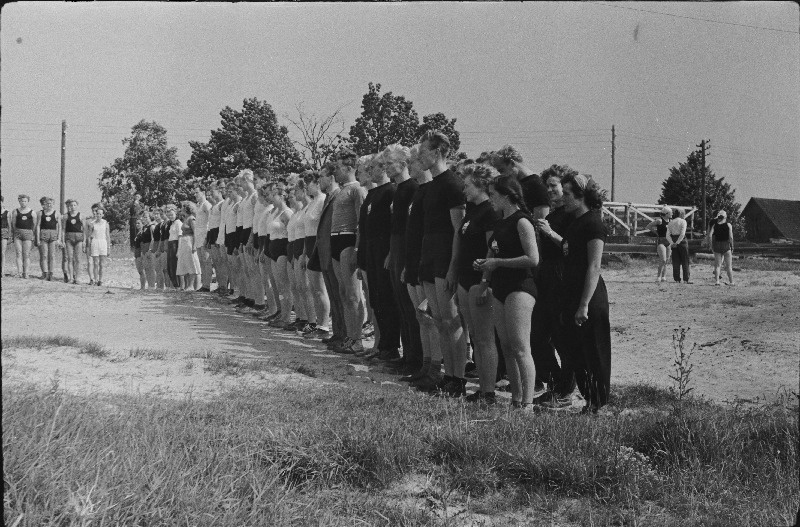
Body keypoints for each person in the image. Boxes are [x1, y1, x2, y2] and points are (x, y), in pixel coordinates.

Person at [475, 175, 540, 409]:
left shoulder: (522, 221)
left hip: (520, 287)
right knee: (506, 347)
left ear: (506, 195)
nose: (490, 198)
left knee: (521, 347)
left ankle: (528, 403)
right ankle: (516, 399)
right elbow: (495, 253)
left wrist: (497, 263)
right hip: (500, 287)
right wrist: (486, 266)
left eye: (493, 194)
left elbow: (533, 258)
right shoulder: (501, 223)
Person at [417, 131, 469, 397]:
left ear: (437, 152)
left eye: (423, 151)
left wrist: (452, 268)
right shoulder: (431, 185)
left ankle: (458, 379)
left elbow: (458, 231)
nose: (419, 156)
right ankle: (448, 376)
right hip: (429, 258)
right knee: (438, 320)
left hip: (445, 261)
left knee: (452, 321)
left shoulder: (452, 184)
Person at [559, 174, 612, 414]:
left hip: (589, 298)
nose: (563, 198)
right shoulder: (573, 222)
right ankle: (589, 400)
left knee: (595, 352)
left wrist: (584, 304)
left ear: (581, 196)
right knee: (575, 352)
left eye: (567, 193)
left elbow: (594, 266)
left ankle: (599, 404)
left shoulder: (593, 223)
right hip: (572, 295)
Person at [531, 167, 580, 409]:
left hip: (563, 276)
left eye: (554, 185)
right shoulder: (551, 215)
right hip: (546, 277)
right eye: (547, 186)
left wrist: (549, 234)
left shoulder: (572, 215)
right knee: (538, 335)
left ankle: (565, 392)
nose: (550, 190)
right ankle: (555, 384)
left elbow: (572, 248)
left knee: (563, 337)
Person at [452, 163, 502, 403]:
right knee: (476, 337)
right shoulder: (472, 210)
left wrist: (485, 282)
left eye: (468, 185)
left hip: (479, 281)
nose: (464, 189)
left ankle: (488, 391)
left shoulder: (490, 212)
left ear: (481, 185)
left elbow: (491, 249)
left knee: (484, 338)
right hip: (465, 279)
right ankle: (482, 388)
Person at [401, 145, 443, 390]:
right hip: (416, 261)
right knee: (421, 316)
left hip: (427, 261)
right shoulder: (419, 192)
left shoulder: (426, 190)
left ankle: (436, 368)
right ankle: (426, 366)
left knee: (430, 317)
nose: (412, 166)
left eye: (415, 161)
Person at [382, 144, 424, 376]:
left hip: (407, 248)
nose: (387, 168)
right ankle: (407, 354)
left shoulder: (412, 188)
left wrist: (405, 256)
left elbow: (410, 227)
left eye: (390, 164)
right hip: (396, 246)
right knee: (400, 304)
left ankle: (416, 358)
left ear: (403, 163)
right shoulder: (398, 189)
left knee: (410, 306)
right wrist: (391, 251)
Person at [362, 150, 402, 361]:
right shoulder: (374, 194)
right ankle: (382, 345)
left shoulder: (391, 191)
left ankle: (391, 347)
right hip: (372, 253)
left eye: (375, 167)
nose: (374, 171)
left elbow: (392, 226)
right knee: (377, 300)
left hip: (384, 254)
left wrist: (389, 252)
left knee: (387, 300)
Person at [330, 149, 369, 354]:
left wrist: (357, 248)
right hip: (335, 239)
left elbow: (362, 221)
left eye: (337, 167)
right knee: (344, 292)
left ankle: (358, 339)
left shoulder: (357, 190)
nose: (334, 171)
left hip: (348, 239)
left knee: (353, 294)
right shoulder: (340, 191)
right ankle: (349, 336)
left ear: (349, 167)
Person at [313, 163, 347, 346]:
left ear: (331, 178)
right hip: (325, 254)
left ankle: (344, 335)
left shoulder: (338, 197)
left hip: (333, 253)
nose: (319, 181)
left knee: (340, 297)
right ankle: (338, 333)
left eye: (322, 176)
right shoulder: (328, 198)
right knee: (334, 296)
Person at [300, 170, 331, 339]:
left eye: (308, 184)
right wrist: (305, 252)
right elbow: (307, 230)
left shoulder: (322, 200)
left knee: (320, 289)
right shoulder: (312, 202)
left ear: (317, 183)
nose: (306, 187)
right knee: (313, 289)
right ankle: (318, 323)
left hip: (318, 245)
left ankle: (324, 326)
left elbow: (321, 228)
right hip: (309, 244)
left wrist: (315, 250)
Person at [492, 145, 550, 220]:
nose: (502, 175)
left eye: (502, 170)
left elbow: (541, 220)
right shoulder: (516, 183)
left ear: (512, 163)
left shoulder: (536, 185)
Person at [266, 182, 294, 328]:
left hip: (282, 249)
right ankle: (282, 313)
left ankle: (287, 316)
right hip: (273, 249)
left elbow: (292, 233)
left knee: (284, 285)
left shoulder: (287, 213)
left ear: (282, 196)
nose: (271, 197)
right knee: (278, 285)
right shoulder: (274, 212)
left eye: (274, 194)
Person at [176, 201, 202, 291]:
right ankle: (187, 285)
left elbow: (195, 232)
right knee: (185, 263)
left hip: (190, 241)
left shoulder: (191, 219)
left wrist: (194, 246)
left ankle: (191, 285)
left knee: (191, 263)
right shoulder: (185, 218)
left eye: (182, 207)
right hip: (184, 242)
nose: (181, 209)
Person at [35, 196, 61, 281]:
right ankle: (45, 273)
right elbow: (38, 226)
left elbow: (59, 227)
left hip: (53, 234)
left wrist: (59, 238)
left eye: (51, 203)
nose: (49, 205)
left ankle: (51, 274)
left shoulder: (57, 213)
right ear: (45, 204)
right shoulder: (40, 213)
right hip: (43, 234)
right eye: (47, 203)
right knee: (44, 255)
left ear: (53, 204)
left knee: (52, 256)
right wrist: (38, 238)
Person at [707, 210, 735, 286]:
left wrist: (710, 245)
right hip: (726, 245)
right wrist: (732, 246)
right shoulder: (728, 225)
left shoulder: (714, 225)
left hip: (717, 245)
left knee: (717, 265)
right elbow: (731, 237)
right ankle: (731, 282)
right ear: (725, 217)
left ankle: (717, 281)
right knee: (728, 266)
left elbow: (709, 235)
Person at [11, 194, 36, 278]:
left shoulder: (32, 212)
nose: (23, 203)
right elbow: (13, 223)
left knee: (26, 254)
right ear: (19, 201)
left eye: (25, 201)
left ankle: (26, 273)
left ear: (28, 202)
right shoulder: (15, 211)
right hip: (18, 233)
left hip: (28, 233)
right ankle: (19, 272)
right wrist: (15, 232)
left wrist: (32, 234)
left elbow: (34, 225)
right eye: (22, 201)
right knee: (18, 253)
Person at [60, 199, 85, 284]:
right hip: (69, 238)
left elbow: (84, 230)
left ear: (77, 206)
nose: (73, 207)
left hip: (79, 238)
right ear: (69, 206)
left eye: (74, 205)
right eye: (71, 205)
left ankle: (77, 278)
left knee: (78, 259)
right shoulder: (66, 216)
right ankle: (71, 277)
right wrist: (62, 240)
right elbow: (63, 229)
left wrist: (84, 241)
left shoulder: (81, 215)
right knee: (70, 258)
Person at [207, 185, 226, 294]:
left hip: (219, 232)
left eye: (212, 192)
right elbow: (210, 224)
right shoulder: (213, 206)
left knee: (221, 262)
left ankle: (224, 285)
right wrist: (209, 239)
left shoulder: (222, 204)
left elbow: (222, 222)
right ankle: (220, 285)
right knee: (216, 262)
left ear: (219, 192)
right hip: (212, 233)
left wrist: (220, 238)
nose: (211, 195)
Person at [646, 206, 673, 283]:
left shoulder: (671, 221)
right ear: (666, 213)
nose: (672, 214)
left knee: (667, 260)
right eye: (671, 213)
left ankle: (664, 276)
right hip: (661, 241)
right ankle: (658, 276)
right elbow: (648, 226)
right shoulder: (659, 221)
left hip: (669, 242)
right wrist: (655, 232)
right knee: (663, 259)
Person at [194, 187, 213, 292]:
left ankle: (207, 284)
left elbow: (210, 220)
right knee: (201, 260)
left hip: (204, 234)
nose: (196, 195)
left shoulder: (206, 204)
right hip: (198, 235)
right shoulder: (198, 205)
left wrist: (207, 236)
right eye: (195, 193)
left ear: (203, 193)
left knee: (206, 260)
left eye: (197, 193)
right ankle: (204, 284)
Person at [87, 205, 110, 286]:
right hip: (95, 242)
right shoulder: (92, 224)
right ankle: (96, 279)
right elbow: (89, 236)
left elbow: (107, 236)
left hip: (103, 242)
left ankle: (101, 279)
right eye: (97, 214)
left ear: (103, 215)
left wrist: (108, 247)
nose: (98, 215)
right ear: (95, 214)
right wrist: (89, 247)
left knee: (102, 264)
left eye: (100, 214)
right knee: (95, 263)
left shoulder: (106, 223)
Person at [667, 207, 691, 284]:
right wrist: (678, 242)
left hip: (673, 239)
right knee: (685, 260)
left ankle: (677, 279)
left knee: (676, 261)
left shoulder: (670, 223)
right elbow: (682, 233)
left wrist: (672, 243)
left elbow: (667, 235)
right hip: (682, 241)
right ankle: (685, 279)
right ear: (680, 214)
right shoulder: (683, 221)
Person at [138, 211, 157, 288]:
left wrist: (150, 249)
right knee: (146, 268)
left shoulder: (152, 226)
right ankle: (149, 285)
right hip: (144, 250)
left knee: (151, 268)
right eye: (144, 217)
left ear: (150, 217)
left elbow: (153, 239)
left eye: (146, 217)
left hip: (150, 250)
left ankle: (152, 285)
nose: (144, 218)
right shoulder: (144, 227)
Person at [165, 204, 182, 289]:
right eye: (169, 215)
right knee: (170, 266)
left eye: (172, 214)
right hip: (170, 244)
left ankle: (178, 285)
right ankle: (175, 285)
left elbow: (180, 236)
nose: (170, 216)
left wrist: (178, 250)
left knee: (175, 265)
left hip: (175, 244)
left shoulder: (178, 223)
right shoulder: (172, 224)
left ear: (176, 213)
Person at [133, 218, 148, 290]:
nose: (137, 225)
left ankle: (143, 287)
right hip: (137, 253)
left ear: (142, 224)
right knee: (140, 271)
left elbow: (143, 244)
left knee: (142, 271)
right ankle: (142, 286)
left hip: (141, 253)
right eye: (136, 223)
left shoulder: (142, 233)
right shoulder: (138, 233)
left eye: (139, 223)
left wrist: (142, 253)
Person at [1, 196, 9, 276]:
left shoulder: (7, 212)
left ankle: (2, 271)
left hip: (4, 232)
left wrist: (10, 235)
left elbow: (10, 225)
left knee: (2, 252)